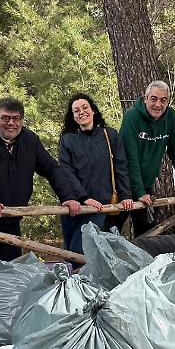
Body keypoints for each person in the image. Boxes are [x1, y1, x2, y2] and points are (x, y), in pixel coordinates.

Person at [0, 97, 84, 261]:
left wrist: (68, 196)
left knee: (12, 275)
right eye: (6, 118)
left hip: (11, 220)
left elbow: (51, 168)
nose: (11, 123)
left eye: (16, 118)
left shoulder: (30, 140)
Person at [58, 92, 134, 254]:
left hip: (103, 206)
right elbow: (66, 171)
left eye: (85, 107)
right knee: (73, 252)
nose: (82, 112)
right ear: (73, 117)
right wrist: (84, 198)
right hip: (77, 205)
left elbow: (121, 167)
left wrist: (126, 195)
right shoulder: (67, 140)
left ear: (93, 110)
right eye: (76, 110)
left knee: (94, 253)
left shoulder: (111, 135)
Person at [117, 80, 175, 236]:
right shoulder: (132, 117)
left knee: (146, 233)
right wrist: (139, 193)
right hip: (122, 186)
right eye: (154, 99)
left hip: (145, 185)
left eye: (163, 100)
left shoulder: (170, 117)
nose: (158, 104)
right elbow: (130, 159)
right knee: (112, 230)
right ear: (145, 99)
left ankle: (142, 260)